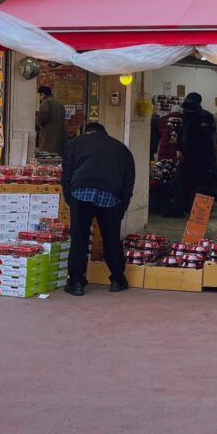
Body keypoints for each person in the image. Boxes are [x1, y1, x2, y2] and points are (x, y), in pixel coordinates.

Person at [61, 121, 135, 296]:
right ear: (105, 133)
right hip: (110, 195)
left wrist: (69, 197)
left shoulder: (75, 143)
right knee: (111, 238)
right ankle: (117, 279)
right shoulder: (121, 149)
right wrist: (122, 207)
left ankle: (76, 283)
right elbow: (128, 181)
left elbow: (67, 173)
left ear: (87, 132)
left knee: (79, 237)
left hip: (81, 191)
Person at [179, 92, 217, 216]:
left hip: (199, 158)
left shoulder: (198, 117)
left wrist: (183, 150)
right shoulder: (204, 116)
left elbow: (193, 138)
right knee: (201, 185)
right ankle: (191, 212)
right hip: (202, 157)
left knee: (204, 187)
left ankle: (199, 215)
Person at [37, 85, 66, 155]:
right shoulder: (60, 103)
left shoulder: (46, 102)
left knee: (48, 158)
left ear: (43, 94)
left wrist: (39, 124)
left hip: (49, 137)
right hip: (60, 137)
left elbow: (43, 116)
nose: (39, 98)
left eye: (39, 96)